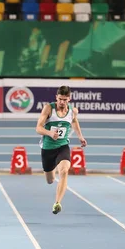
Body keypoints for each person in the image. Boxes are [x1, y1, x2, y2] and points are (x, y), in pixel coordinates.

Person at [35, 85, 87, 215]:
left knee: (64, 170)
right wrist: (49, 133)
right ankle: (50, 174)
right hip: (47, 148)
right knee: (50, 180)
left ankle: (57, 203)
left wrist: (80, 137)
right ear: (56, 98)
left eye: (64, 99)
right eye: (60, 99)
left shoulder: (72, 111)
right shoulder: (49, 108)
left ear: (69, 99)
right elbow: (38, 128)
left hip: (63, 146)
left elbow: (74, 122)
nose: (62, 102)